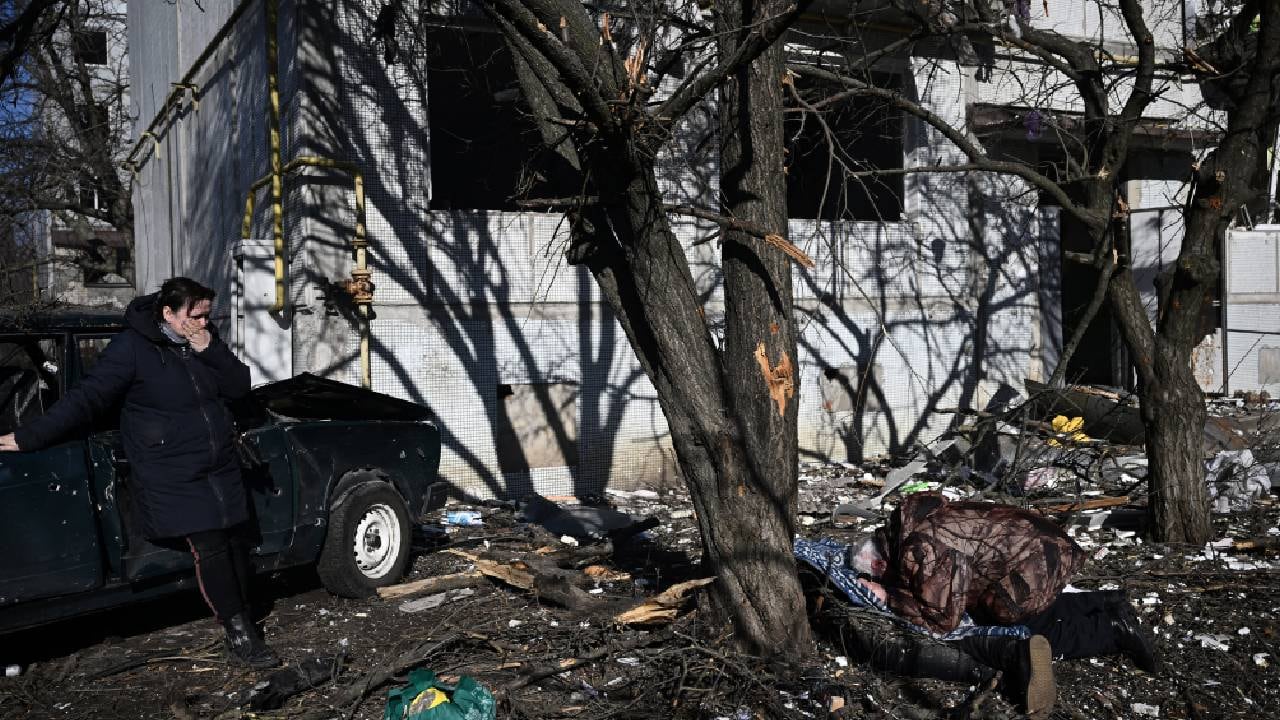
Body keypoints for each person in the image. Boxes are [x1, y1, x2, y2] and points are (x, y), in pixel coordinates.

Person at [0, 277, 279, 669]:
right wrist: (29, 436)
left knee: (235, 541)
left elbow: (238, 386)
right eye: (195, 316)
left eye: (207, 315)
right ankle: (240, 634)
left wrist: (212, 350)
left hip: (217, 464)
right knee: (211, 544)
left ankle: (244, 611)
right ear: (168, 313)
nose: (203, 321)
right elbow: (87, 398)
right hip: (172, 471)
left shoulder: (203, 340)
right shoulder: (132, 348)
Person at [845, 492, 1159, 718]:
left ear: (880, 566)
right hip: (1044, 547)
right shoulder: (916, 522)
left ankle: (1110, 630)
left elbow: (943, 620)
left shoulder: (918, 550)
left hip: (1037, 563)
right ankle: (1105, 602)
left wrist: (891, 599)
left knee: (1015, 621)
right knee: (1009, 604)